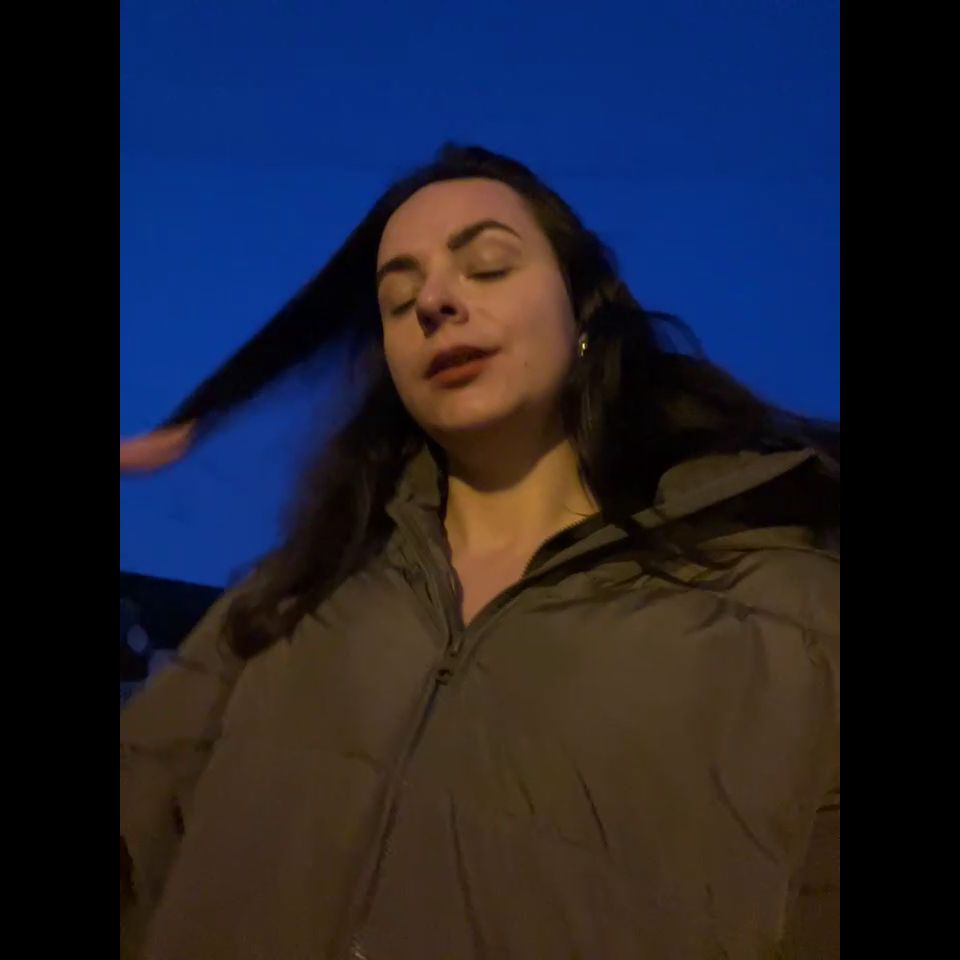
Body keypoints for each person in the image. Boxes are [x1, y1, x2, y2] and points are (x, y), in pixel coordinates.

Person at [120, 144, 839, 959]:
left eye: (488, 266)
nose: (433, 302)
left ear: (584, 311)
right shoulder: (287, 598)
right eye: (398, 300)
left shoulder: (795, 618)